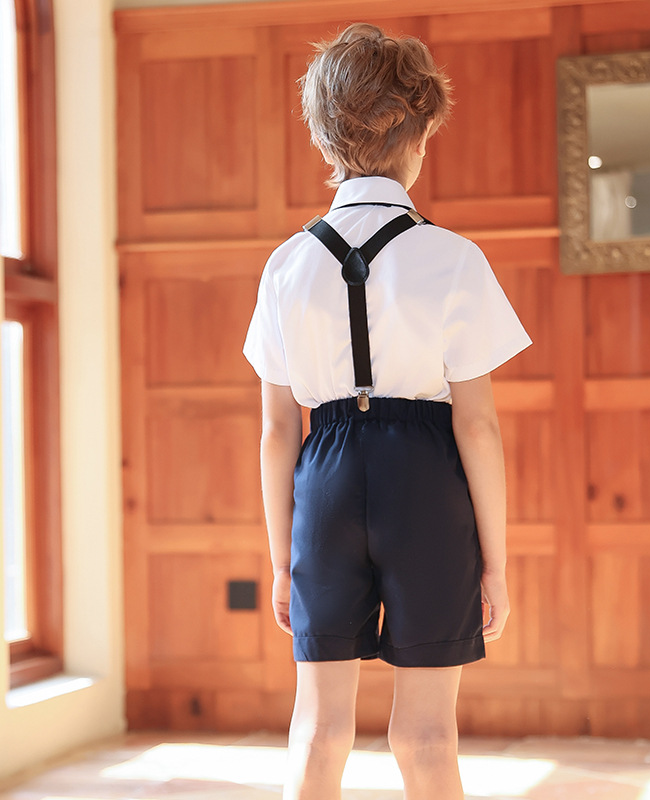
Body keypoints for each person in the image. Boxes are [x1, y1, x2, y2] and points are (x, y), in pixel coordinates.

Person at [243, 23, 531, 800]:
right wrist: (495, 564)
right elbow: (477, 425)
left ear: (323, 137)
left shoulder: (286, 264)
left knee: (319, 729)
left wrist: (281, 558)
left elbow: (276, 432)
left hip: (325, 476)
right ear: (420, 135)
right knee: (429, 735)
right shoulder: (454, 258)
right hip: (426, 483)